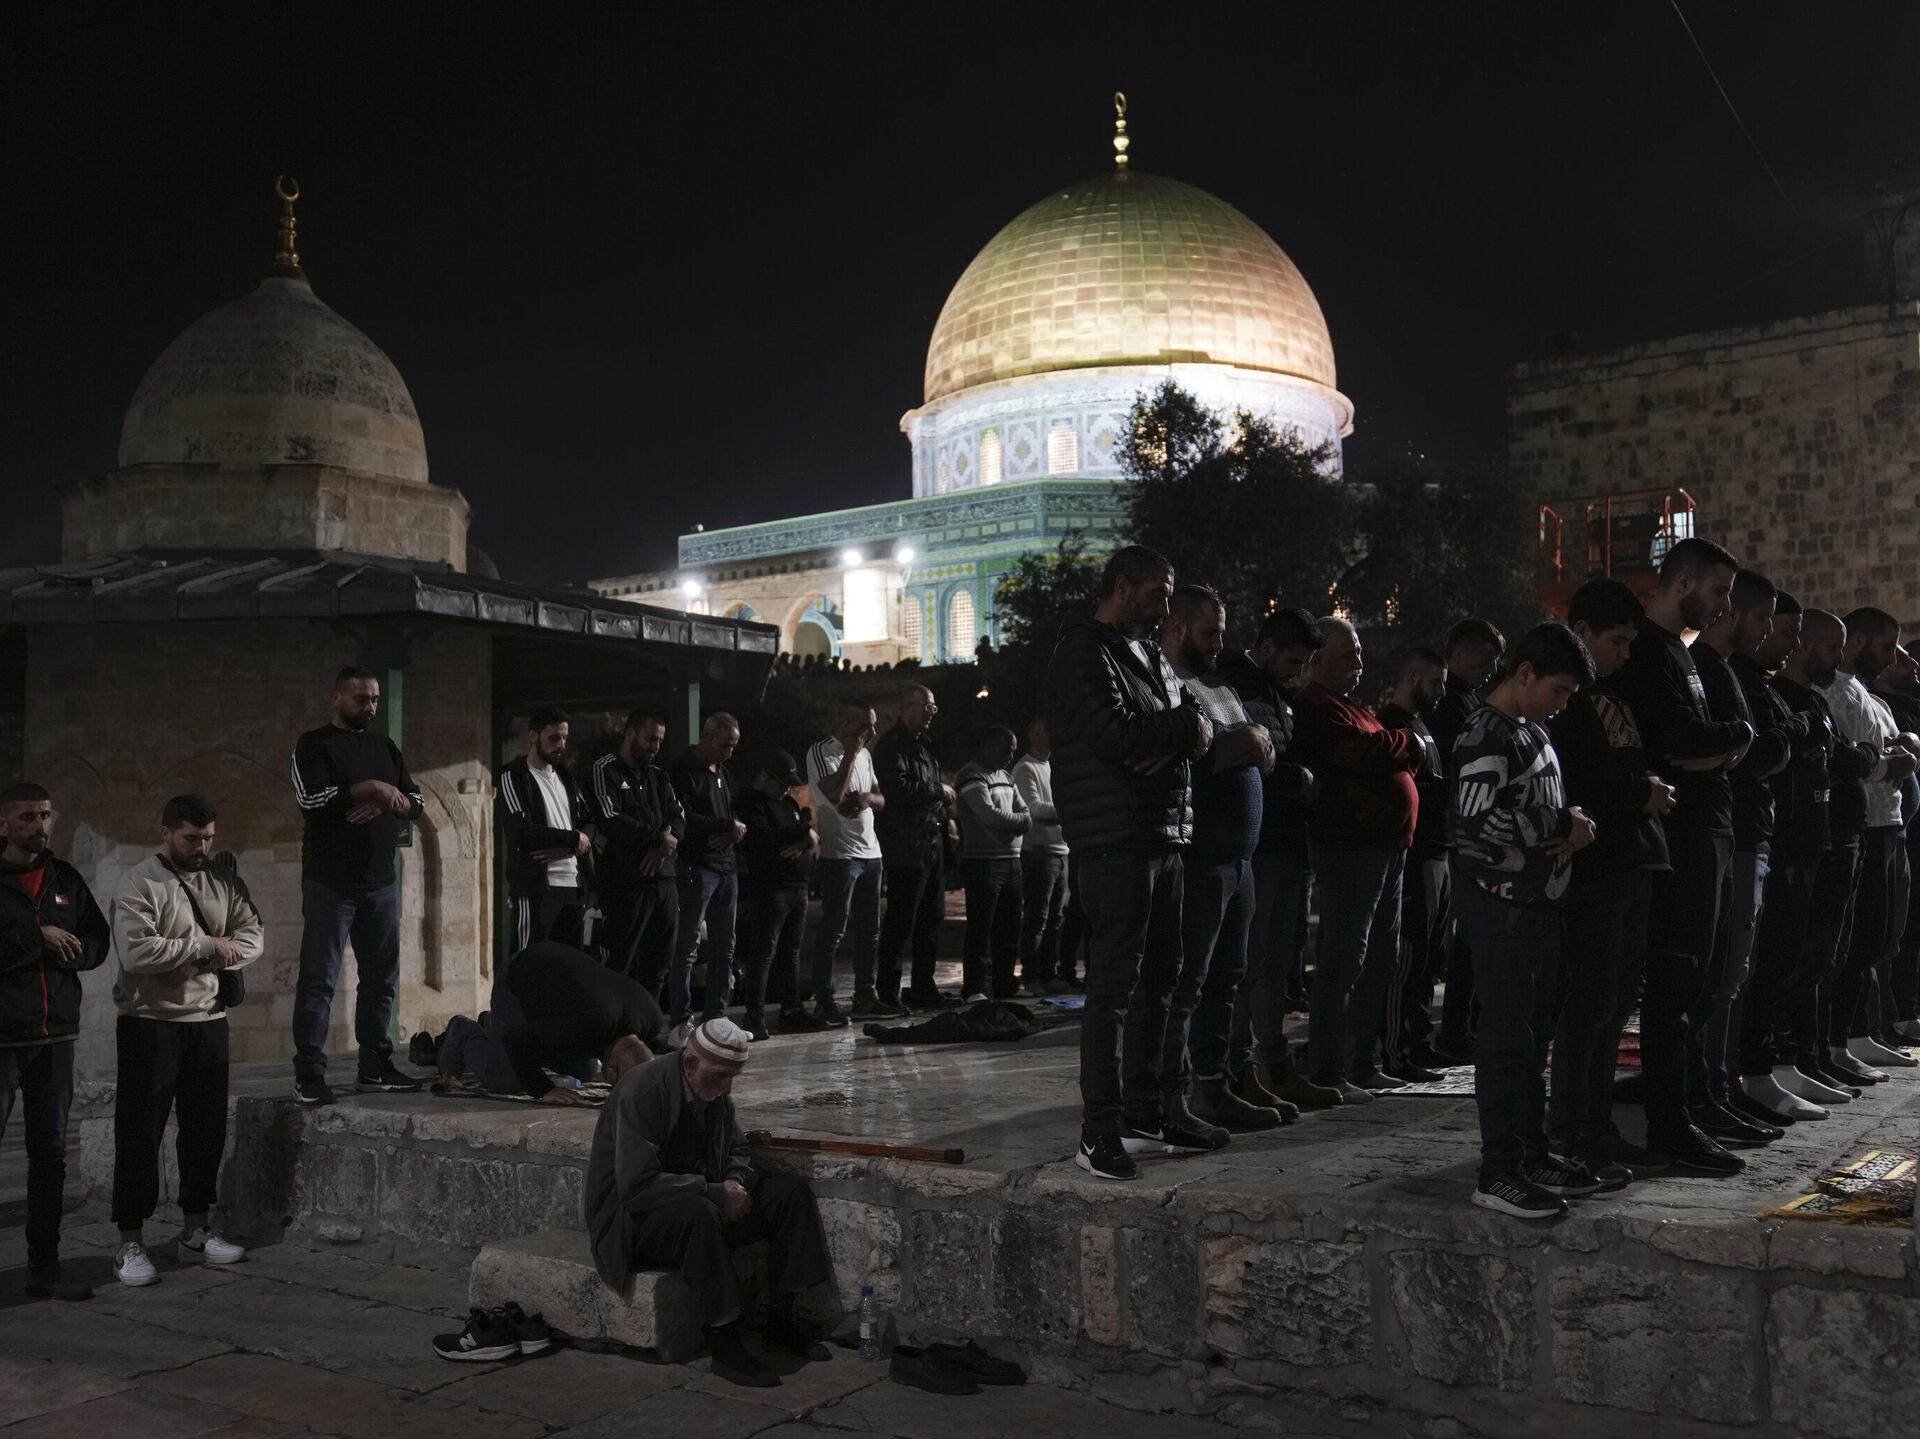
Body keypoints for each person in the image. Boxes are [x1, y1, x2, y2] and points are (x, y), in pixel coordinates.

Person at [1045, 545, 1214, 1181]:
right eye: (1157, 595)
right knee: (1114, 987)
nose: (1165, 609)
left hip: (1163, 834)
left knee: (1161, 979)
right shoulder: (1081, 652)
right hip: (1115, 839)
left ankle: (1146, 1113)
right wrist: (1181, 732)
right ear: (1122, 587)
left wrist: (1183, 731)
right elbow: (1116, 736)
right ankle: (1099, 1130)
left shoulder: (1145, 653)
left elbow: (1192, 716)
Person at [1609, 537, 1756, 1175]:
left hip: (1710, 829)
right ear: (1684, 582)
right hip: (1682, 839)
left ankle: (1696, 1104)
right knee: (1675, 983)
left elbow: (1705, 748)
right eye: (1719, 591)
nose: (1725, 606)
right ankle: (1669, 1124)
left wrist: (1722, 747)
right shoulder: (1648, 652)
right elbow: (1680, 744)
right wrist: (1737, 738)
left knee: (1704, 980)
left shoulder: (1682, 652)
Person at [584, 1018, 831, 1388]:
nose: (727, 1087)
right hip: (631, 1221)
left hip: (699, 1199)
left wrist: (734, 1184)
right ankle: (724, 1338)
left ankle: (782, 1318)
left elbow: (737, 1150)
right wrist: (715, 1193)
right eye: (720, 1076)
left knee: (788, 1194)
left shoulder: (712, 1091)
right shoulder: (643, 1090)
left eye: (733, 1077)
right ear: (689, 1063)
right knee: (698, 1214)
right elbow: (636, 1186)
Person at [1454, 624, 1602, 1218]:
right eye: (1558, 690)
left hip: (1538, 904)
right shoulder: (1486, 733)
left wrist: (1571, 822)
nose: (1562, 704)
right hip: (1502, 907)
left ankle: (1531, 1153)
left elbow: (1535, 805)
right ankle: (1499, 1171)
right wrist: (1561, 826)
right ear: (1523, 674)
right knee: (1507, 1040)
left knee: (1533, 1037)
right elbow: (1476, 825)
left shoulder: (1531, 729)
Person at [1545, 580, 1675, 1176]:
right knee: (1591, 1002)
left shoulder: (1613, 694)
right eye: (1616, 641)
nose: (1625, 653)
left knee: (1617, 1001)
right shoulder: (1567, 700)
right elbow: (1578, 780)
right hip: (1598, 866)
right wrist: (1637, 792)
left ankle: (1596, 1124)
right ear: (1583, 633)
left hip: (1634, 858)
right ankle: (1574, 1128)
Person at [108, 794, 262, 1286]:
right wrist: (207, 944)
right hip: (149, 1022)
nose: (202, 847)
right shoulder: (139, 882)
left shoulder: (224, 880)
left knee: (204, 1130)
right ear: (166, 833)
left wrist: (199, 961)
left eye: (209, 838)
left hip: (208, 1020)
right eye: (192, 838)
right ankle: (129, 1242)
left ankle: (195, 1233)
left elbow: (252, 937)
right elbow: (137, 952)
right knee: (139, 1133)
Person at [1158, 585, 1284, 1134]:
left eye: (1223, 633)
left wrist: (1252, 743)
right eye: (1210, 633)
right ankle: (1170, 1095)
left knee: (1228, 976)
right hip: (1201, 857)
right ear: (1177, 628)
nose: (1219, 644)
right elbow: (1179, 757)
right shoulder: (1164, 685)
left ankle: (1216, 1085)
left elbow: (1260, 741)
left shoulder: (1219, 685)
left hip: (1241, 858)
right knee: (1189, 980)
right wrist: (1242, 745)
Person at [1690, 570, 1803, 1147]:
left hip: (1747, 832)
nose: (1768, 630)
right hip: (1728, 834)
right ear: (1733, 613)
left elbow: (1764, 745)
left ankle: (1722, 1085)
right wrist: (1776, 744)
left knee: (1735, 972)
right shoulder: (1714, 671)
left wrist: (1773, 744)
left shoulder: (1737, 674)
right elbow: (1751, 751)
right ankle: (1708, 1090)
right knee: (1720, 974)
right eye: (1763, 618)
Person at [1757, 610, 1886, 1111]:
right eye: (1832, 647)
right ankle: (1783, 1061)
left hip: (1830, 839)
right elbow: (1840, 759)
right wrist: (1861, 757)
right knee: (1794, 959)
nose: (1839, 657)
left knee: (1824, 956)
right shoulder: (1786, 698)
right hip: (1800, 841)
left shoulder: (1813, 699)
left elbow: (1844, 755)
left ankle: (1810, 1057)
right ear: (1807, 646)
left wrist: (1857, 757)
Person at [1291, 616, 1423, 1103]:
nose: (1359, 662)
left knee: (1380, 959)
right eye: (1348, 654)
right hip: (1352, 847)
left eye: (1360, 652)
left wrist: (1395, 747)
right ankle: (1329, 1069)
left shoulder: (1352, 707)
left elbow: (1376, 747)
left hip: (1386, 847)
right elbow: (1359, 752)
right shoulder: (1316, 707)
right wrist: (1409, 743)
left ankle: (1362, 1064)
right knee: (1345, 960)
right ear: (1318, 660)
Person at [1217, 608, 1338, 1110]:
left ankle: (1271, 1063)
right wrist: (1293, 779)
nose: (1299, 670)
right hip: (1260, 845)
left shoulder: (1274, 692)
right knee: (1253, 964)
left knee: (1277, 962)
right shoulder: (1234, 688)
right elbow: (1248, 763)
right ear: (1267, 648)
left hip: (1287, 841)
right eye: (1293, 660)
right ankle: (1240, 1068)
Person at [289, 666, 426, 1105]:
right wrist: (371, 787)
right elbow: (311, 800)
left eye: (374, 700)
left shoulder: (385, 747)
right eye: (361, 698)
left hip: (380, 884)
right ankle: (309, 1074)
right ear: (336, 698)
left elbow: (416, 801)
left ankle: (375, 1067)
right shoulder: (314, 745)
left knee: (381, 980)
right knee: (319, 981)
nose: (369, 706)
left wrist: (388, 801)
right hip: (331, 884)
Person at [1735, 598, 1847, 1120]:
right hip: (1777, 840)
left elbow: (1833, 752)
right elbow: (1769, 752)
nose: (1788, 642)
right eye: (1781, 629)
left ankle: (1786, 1061)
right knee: (1766, 963)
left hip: (1809, 839)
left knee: (1800, 957)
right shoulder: (1764, 689)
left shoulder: (1793, 695)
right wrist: (1802, 736)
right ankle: (1759, 1069)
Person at [0, 782, 110, 1301]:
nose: (39, 825)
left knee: (49, 1156)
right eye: (28, 817)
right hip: (3, 1039)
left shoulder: (65, 878)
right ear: (3, 824)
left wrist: (75, 951)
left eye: (45, 815)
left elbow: (98, 940)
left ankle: (44, 1266)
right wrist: (36, 937)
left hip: (56, 1036)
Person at [1822, 608, 1919, 1074]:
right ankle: (1839, 1040)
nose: (1892, 659)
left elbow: (1897, 742)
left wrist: (1905, 750)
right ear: (1857, 642)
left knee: (1880, 937)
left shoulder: (1867, 695)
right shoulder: (1833, 693)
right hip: (1863, 827)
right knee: (1856, 940)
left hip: (1890, 824)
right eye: (1886, 647)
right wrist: (1890, 762)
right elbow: (1847, 760)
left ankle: (1860, 1033)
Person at [438, 940, 662, 1099]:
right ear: (612, 1067)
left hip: (555, 991)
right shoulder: (589, 1026)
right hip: (519, 980)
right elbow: (517, 1040)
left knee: (583, 1072)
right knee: (504, 1082)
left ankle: (493, 1024)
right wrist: (544, 1089)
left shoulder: (652, 1020)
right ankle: (462, 1031)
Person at [1429, 619, 1506, 1062]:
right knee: (1462, 944)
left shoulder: (1470, 701)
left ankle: (1463, 1027)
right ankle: (1456, 1030)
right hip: (1457, 837)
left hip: (1459, 835)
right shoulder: (1452, 705)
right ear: (1458, 654)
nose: (1490, 669)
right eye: (1484, 659)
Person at [1376, 646, 1452, 1082]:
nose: (1441, 691)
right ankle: (1395, 1049)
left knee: (1428, 957)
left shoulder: (1423, 724)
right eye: (1435, 682)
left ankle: (1418, 1041)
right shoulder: (1392, 724)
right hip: (1416, 854)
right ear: (1411, 679)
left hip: (1438, 852)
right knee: (1408, 956)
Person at [585, 711, 686, 996]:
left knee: (658, 966)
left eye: (660, 740)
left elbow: (678, 816)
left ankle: (647, 1023)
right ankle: (611, 1024)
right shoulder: (605, 769)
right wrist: (657, 838)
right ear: (630, 734)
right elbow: (610, 818)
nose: (655, 746)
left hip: (664, 883)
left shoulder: (658, 776)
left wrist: (666, 844)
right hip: (626, 885)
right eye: (650, 739)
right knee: (617, 963)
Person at [804, 705, 891, 1023]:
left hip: (871, 853)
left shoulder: (867, 755)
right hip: (839, 855)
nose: (872, 733)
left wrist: (867, 799)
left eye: (874, 726)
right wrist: (851, 754)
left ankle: (865, 995)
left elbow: (881, 799)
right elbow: (833, 793)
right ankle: (824, 1001)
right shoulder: (821, 751)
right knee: (834, 929)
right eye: (865, 726)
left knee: (870, 930)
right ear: (845, 723)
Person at [873, 685, 955, 1008]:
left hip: (930, 841)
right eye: (927, 707)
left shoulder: (925, 747)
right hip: (905, 846)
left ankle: (923, 986)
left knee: (931, 918)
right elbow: (898, 788)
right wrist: (937, 790)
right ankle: (888, 991)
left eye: (934, 708)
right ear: (907, 707)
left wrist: (940, 808)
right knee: (901, 921)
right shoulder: (891, 746)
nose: (931, 713)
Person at [668, 714, 746, 1032]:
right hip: (697, 867)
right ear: (706, 737)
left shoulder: (722, 772)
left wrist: (732, 833)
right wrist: (727, 826)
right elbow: (684, 816)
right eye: (724, 745)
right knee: (688, 945)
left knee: (725, 945)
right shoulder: (682, 770)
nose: (729, 752)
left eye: (733, 746)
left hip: (726, 867)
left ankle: (716, 1015)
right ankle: (681, 1018)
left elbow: (731, 815)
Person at [738, 751, 822, 1039]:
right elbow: (763, 837)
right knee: (763, 953)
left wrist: (803, 838)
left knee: (791, 952)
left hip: (798, 886)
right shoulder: (751, 802)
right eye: (782, 782)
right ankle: (754, 1015)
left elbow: (807, 838)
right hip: (771, 889)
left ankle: (791, 1010)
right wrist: (803, 833)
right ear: (765, 777)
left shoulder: (789, 803)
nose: (787, 788)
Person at [497, 706, 593, 950]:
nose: (561, 745)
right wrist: (573, 839)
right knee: (528, 961)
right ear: (533, 736)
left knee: (569, 964)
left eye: (564, 738)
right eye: (554, 738)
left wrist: (570, 846)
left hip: (573, 886)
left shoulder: (566, 778)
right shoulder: (514, 776)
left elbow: (589, 825)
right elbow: (521, 830)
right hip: (537, 888)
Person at [955, 726, 1032, 1000]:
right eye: (1006, 750)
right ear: (989, 746)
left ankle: (1004, 983)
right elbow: (989, 816)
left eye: (1013, 751)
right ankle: (974, 987)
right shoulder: (971, 775)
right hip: (983, 861)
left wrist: (1015, 821)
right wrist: (1018, 822)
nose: (1010, 756)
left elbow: (1025, 812)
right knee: (981, 927)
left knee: (1010, 927)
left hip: (1012, 861)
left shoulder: (1006, 777)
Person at [1873, 645, 1920, 1044]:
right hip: (1893, 831)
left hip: (1904, 833)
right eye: (1901, 657)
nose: (1912, 666)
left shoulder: (1909, 706)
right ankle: (1894, 1014)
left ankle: (1906, 1009)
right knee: (1892, 930)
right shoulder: (1879, 705)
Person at [1012, 716, 1070, 995]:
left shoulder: (1051, 765)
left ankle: (1048, 974)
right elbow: (1033, 808)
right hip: (1040, 852)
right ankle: (1032, 975)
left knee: (1055, 918)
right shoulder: (1025, 768)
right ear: (1034, 735)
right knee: (1037, 917)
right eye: (1048, 732)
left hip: (1060, 850)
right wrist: (1068, 807)